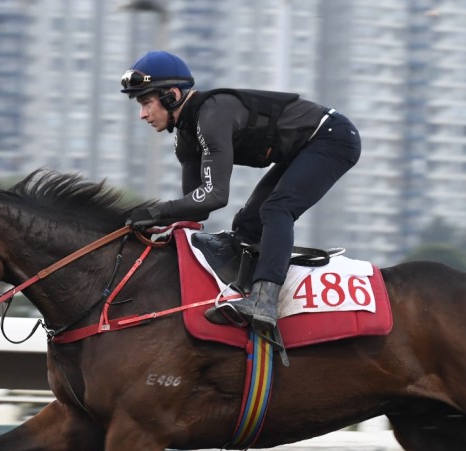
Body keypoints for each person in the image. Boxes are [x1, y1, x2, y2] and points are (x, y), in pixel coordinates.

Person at [120, 50, 361, 338]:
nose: (142, 114)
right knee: (247, 223)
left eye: (147, 102)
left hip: (332, 137)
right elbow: (198, 208)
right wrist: (153, 222)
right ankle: (243, 292)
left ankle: (265, 300)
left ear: (171, 95)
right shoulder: (185, 138)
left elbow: (215, 195)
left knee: (276, 209)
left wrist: (156, 212)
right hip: (301, 148)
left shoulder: (211, 116)